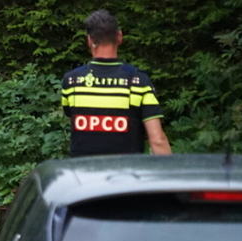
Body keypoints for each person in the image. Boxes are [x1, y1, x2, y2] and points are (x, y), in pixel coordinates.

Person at [61, 10, 172, 157]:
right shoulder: (138, 82)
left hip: (83, 175)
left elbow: (75, 122)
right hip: (126, 175)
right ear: (119, 37)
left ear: (89, 41)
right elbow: (157, 140)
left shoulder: (72, 81)